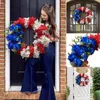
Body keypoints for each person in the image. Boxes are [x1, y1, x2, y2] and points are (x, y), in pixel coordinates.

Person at [21, 3, 59, 100]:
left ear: (49, 15)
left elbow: (57, 38)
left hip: (48, 49)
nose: (42, 16)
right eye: (41, 14)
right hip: (38, 48)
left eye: (44, 15)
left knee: (47, 72)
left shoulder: (53, 25)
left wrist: (47, 37)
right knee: (30, 62)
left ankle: (47, 97)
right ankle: (30, 87)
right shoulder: (39, 22)